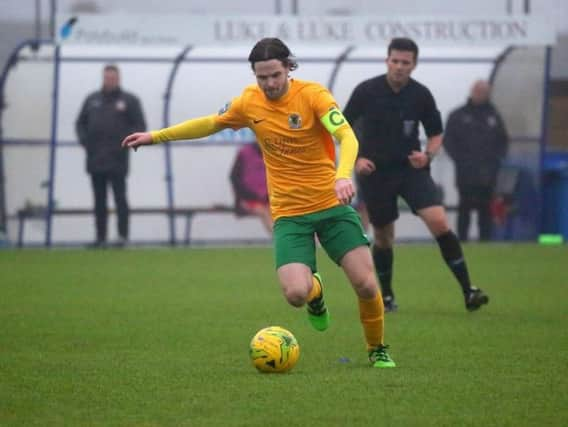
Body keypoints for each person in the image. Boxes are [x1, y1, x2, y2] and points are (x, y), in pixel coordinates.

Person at [122, 37, 395, 368]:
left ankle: (377, 347)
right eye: (261, 77)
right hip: (289, 214)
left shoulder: (313, 95)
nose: (269, 83)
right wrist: (155, 136)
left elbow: (347, 136)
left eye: (275, 75)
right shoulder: (249, 102)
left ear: (288, 68)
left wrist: (342, 175)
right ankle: (314, 293)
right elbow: (210, 123)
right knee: (295, 294)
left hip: (331, 206)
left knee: (366, 285)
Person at [343, 37, 489, 312]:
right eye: (394, 61)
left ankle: (469, 291)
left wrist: (428, 156)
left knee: (439, 222)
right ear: (387, 61)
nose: (399, 66)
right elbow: (342, 129)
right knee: (384, 237)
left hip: (411, 170)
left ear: (414, 64)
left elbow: (436, 134)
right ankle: (386, 296)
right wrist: (358, 158)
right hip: (375, 174)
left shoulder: (420, 94)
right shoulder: (366, 91)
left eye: (405, 62)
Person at [76, 64, 146, 248]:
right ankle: (101, 238)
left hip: (118, 160)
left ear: (119, 79)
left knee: (120, 198)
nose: (110, 81)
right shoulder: (92, 100)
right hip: (95, 159)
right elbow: (80, 124)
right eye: (107, 78)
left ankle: (122, 237)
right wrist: (86, 142)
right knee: (99, 200)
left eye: (113, 78)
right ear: (103, 78)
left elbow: (140, 125)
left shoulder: (129, 101)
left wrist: (124, 143)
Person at [444, 80, 509, 241]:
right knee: (464, 207)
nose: (481, 94)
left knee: (485, 209)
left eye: (485, 92)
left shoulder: (493, 115)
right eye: (478, 91)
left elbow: (503, 140)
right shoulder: (458, 115)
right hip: (465, 173)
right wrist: (460, 159)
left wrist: (497, 160)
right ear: (472, 91)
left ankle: (485, 242)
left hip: (488, 173)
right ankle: (463, 241)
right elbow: (448, 141)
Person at [229, 142, 273, 234]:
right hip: (248, 199)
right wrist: (241, 199)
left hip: (268, 199)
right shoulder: (244, 153)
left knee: (274, 212)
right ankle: (277, 240)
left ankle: (283, 239)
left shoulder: (272, 153)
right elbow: (234, 178)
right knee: (264, 212)